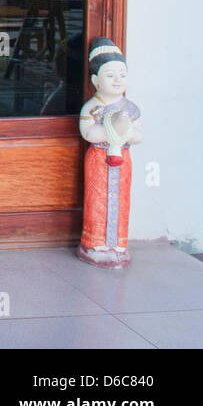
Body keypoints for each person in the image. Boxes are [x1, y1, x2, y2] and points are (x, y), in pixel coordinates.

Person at [76, 37, 143, 268]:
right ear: (96, 80)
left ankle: (118, 245)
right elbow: (88, 133)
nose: (117, 80)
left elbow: (139, 135)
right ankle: (96, 244)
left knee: (121, 200)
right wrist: (110, 130)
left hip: (123, 159)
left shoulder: (130, 108)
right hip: (99, 158)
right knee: (98, 199)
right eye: (110, 75)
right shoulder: (93, 108)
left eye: (122, 75)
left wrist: (126, 134)